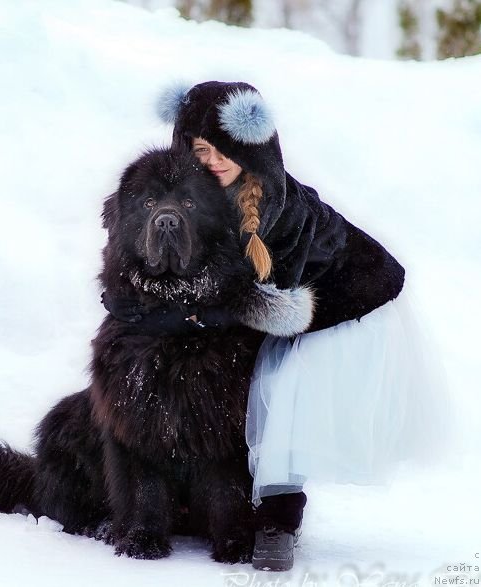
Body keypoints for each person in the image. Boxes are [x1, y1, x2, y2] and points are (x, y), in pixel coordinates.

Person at [102, 81, 451, 571]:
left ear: (256, 149)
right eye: (201, 150)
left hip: (337, 311)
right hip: (285, 311)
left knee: (281, 405)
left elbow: (241, 301)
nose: (215, 161)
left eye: (228, 150)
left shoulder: (274, 208)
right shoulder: (204, 198)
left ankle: (278, 523)